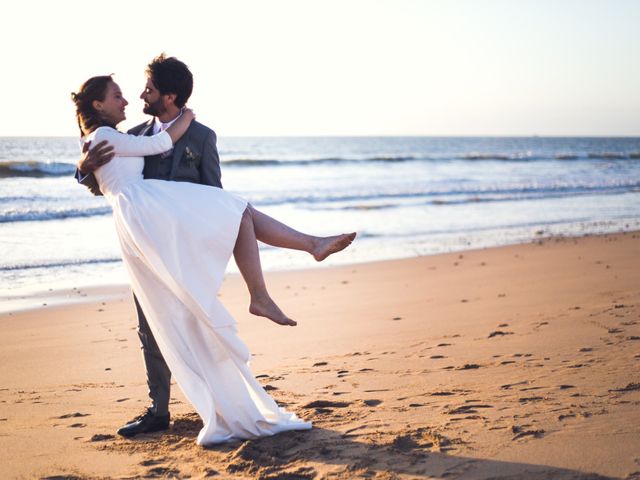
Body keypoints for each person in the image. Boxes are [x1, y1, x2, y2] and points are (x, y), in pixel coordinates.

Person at [75, 55, 355, 440]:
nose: (140, 95)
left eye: (149, 88)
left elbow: (213, 190)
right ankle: (158, 411)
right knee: (150, 322)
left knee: (201, 313)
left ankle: (219, 395)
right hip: (150, 239)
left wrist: (214, 238)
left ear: (169, 96)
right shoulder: (135, 133)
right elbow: (100, 179)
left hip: (187, 243)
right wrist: (82, 165)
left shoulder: (202, 136)